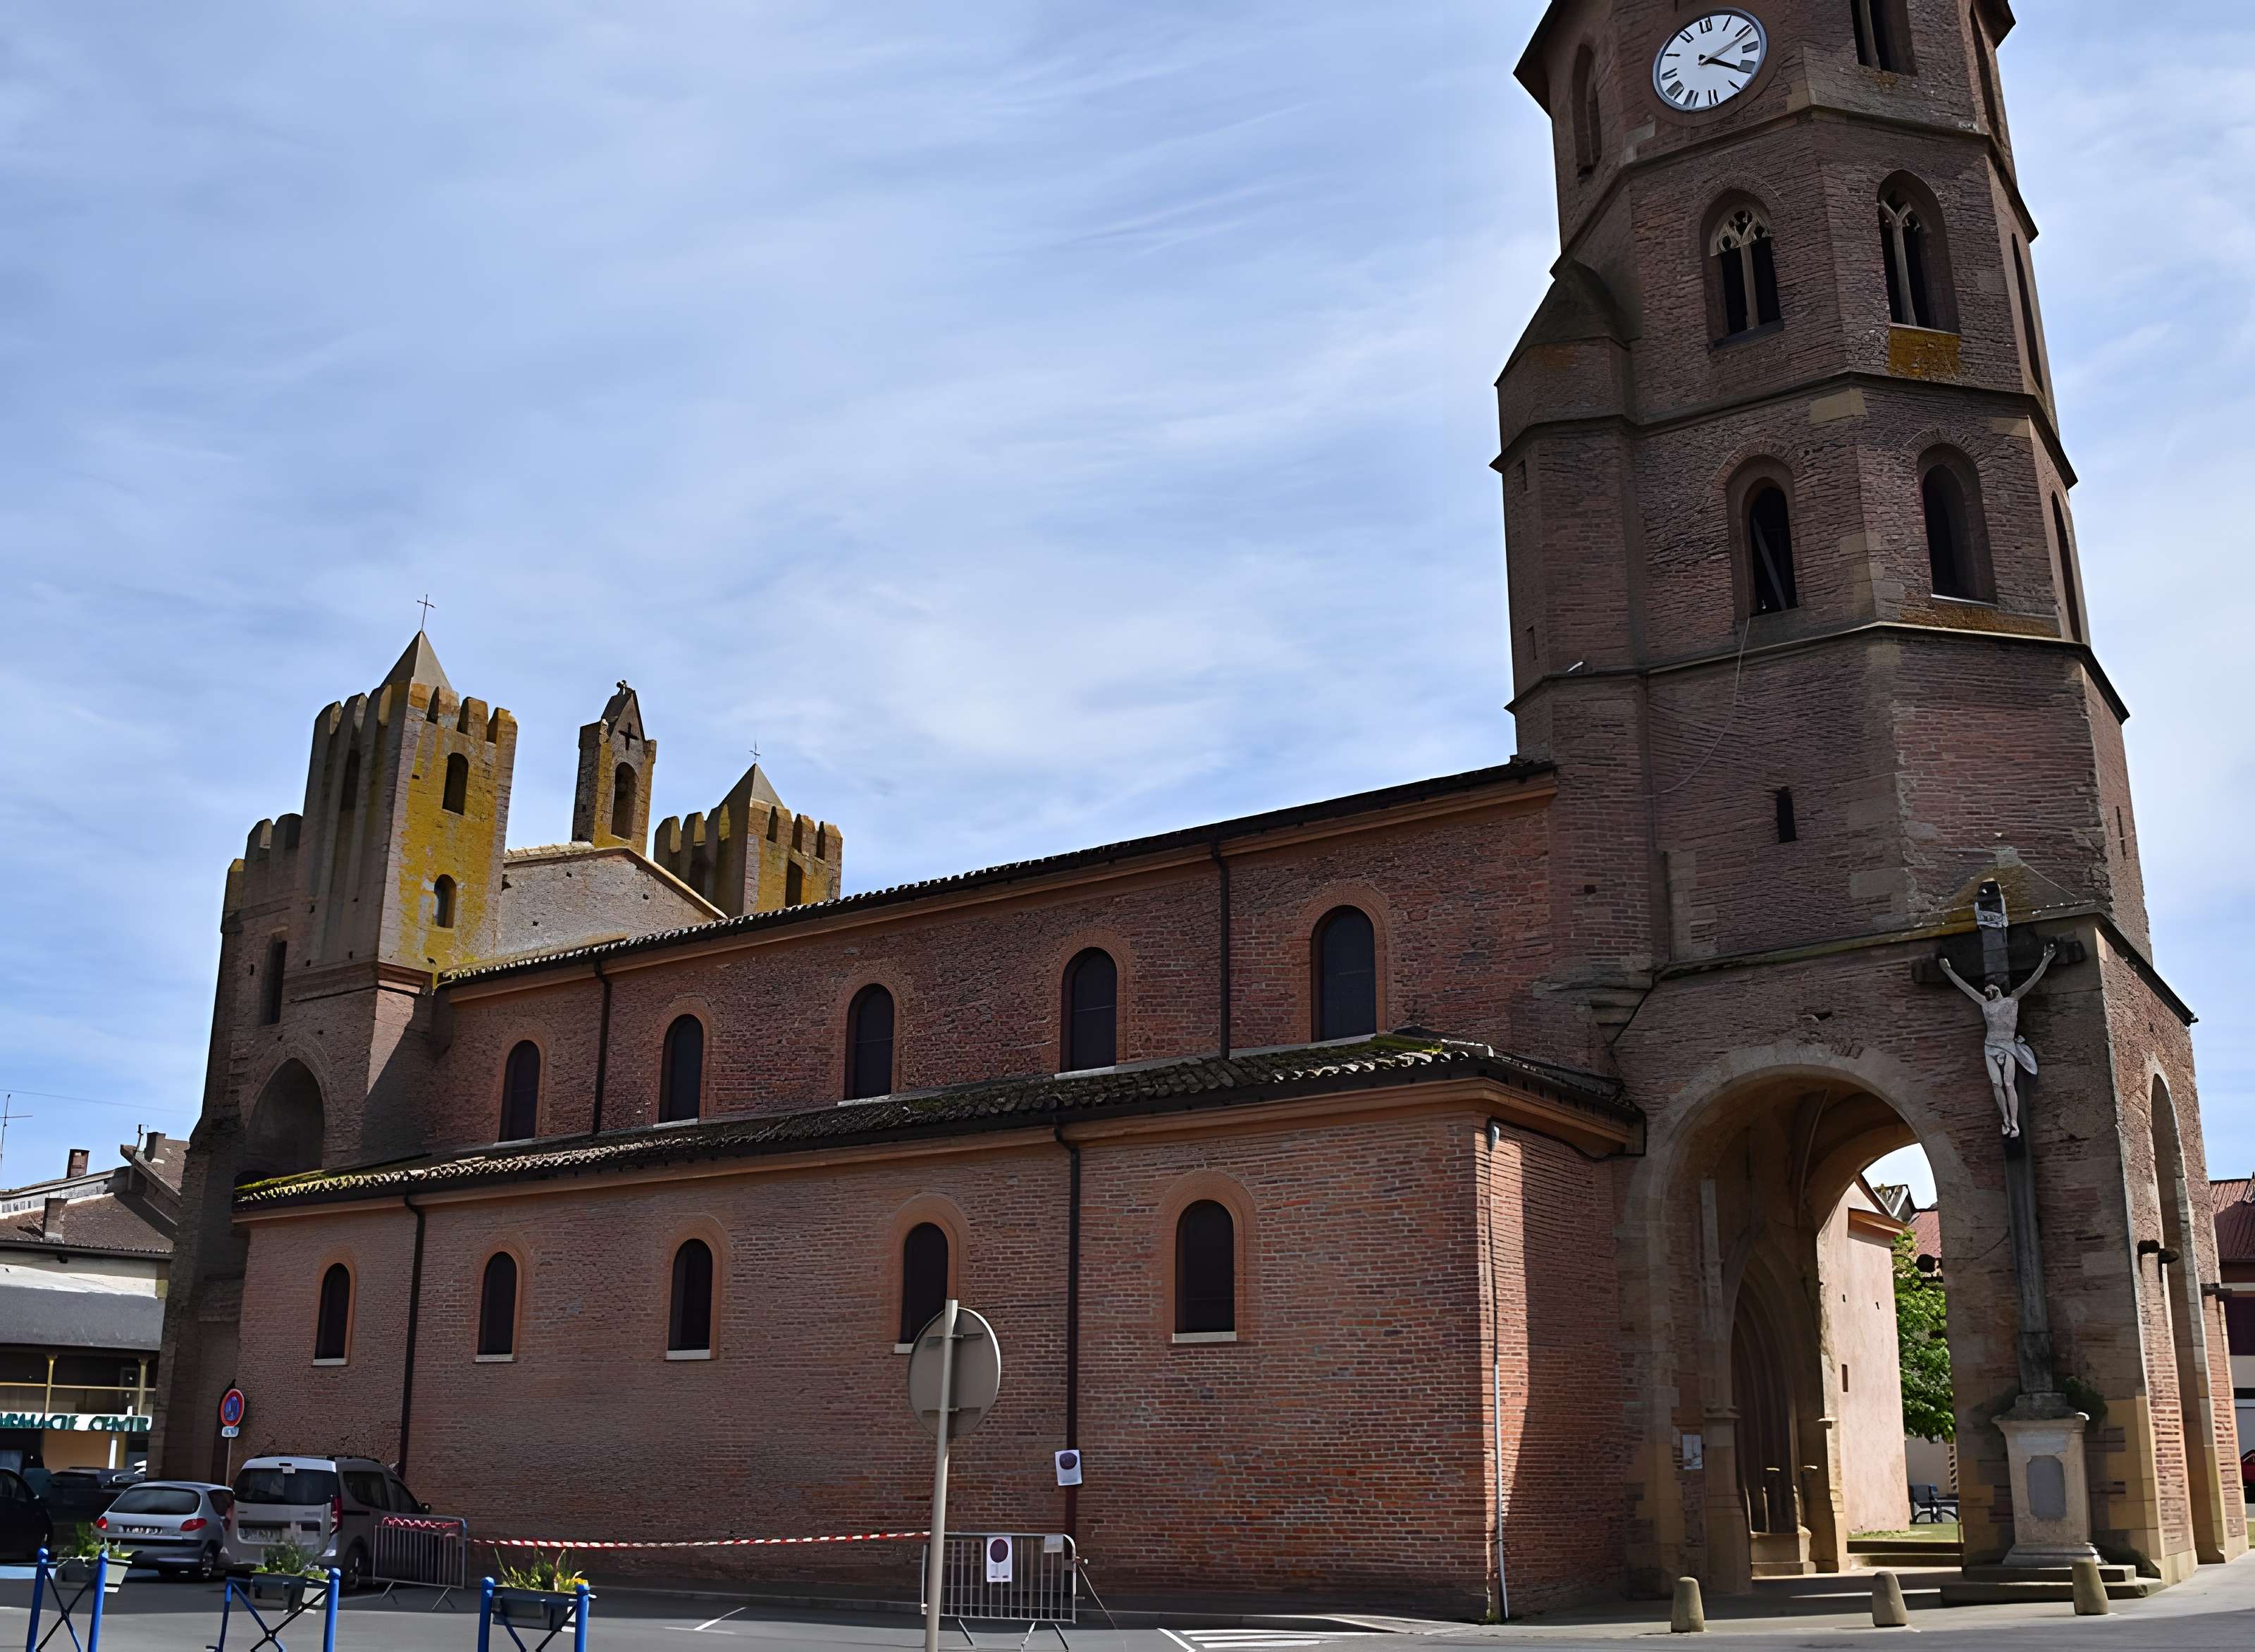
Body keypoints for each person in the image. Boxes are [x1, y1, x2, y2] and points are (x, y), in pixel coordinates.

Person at [1941, 944, 2056, 1137]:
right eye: (1986, 989)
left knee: (2008, 1083)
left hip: (2008, 1046)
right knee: (1996, 1083)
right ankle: (2005, 1119)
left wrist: (2046, 959)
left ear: (1998, 989)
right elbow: (1965, 987)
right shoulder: (1984, 1004)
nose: (1988, 990)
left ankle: (2014, 1122)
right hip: (1990, 1047)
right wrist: (1948, 970)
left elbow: (2033, 980)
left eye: (1991, 987)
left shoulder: (2013, 999)